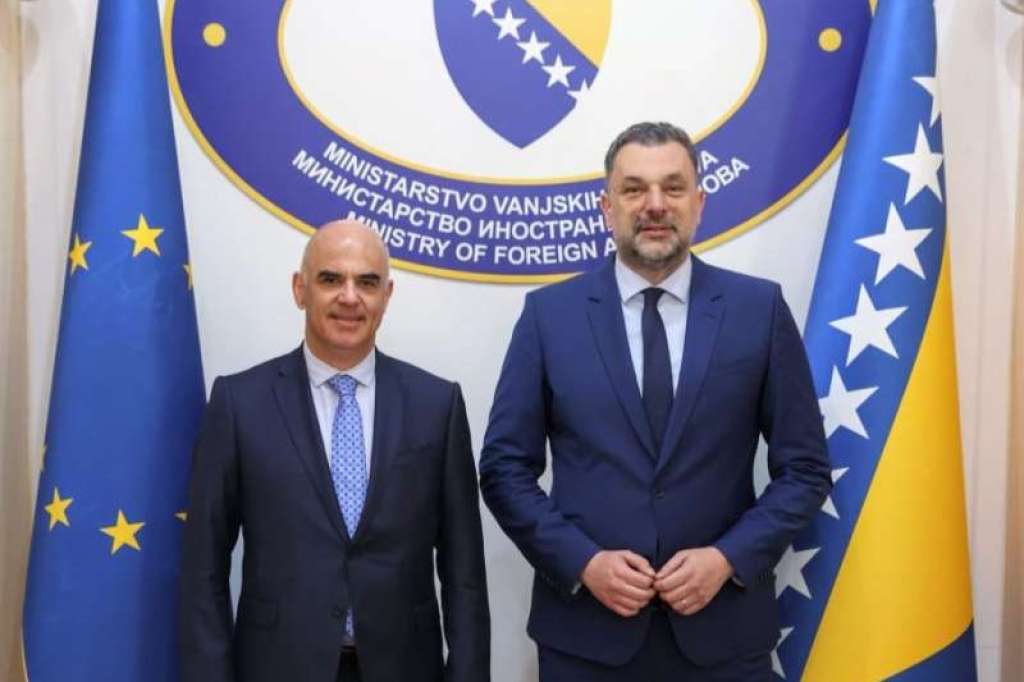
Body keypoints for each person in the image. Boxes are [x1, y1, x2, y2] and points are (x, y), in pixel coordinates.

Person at [479, 122, 831, 680]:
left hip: (724, 639)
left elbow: (806, 470)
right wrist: (582, 562)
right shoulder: (549, 316)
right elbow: (503, 469)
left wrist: (728, 558)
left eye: (672, 187)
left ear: (699, 203)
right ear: (607, 207)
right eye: (634, 189)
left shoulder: (758, 311)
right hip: (586, 639)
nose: (655, 205)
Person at [179, 220, 490, 682]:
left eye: (367, 282)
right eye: (330, 279)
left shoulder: (437, 406)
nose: (349, 297)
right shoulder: (239, 404)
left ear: (387, 295)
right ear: (299, 289)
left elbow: (464, 574)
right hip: (277, 667)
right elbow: (203, 567)